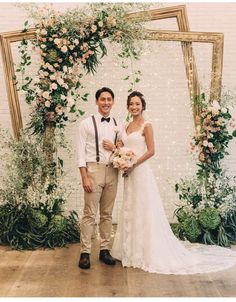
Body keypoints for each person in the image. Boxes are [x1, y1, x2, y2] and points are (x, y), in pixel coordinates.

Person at [104, 91, 236, 274]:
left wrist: (133, 163)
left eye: (137, 104)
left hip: (140, 173)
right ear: (127, 106)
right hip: (129, 174)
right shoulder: (125, 126)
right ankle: (130, 250)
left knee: (144, 210)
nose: (134, 107)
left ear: (143, 106)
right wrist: (119, 154)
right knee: (130, 208)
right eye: (131, 104)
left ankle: (146, 252)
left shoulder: (146, 125)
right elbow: (124, 147)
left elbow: (151, 151)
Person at [77, 87, 119, 269]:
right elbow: (80, 153)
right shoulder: (85, 123)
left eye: (109, 99)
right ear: (96, 101)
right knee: (89, 214)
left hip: (112, 171)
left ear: (113, 102)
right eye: (103, 99)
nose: (106, 102)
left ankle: (104, 250)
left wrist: (116, 149)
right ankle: (85, 252)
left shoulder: (118, 124)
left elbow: (123, 148)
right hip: (93, 171)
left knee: (107, 214)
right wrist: (84, 177)